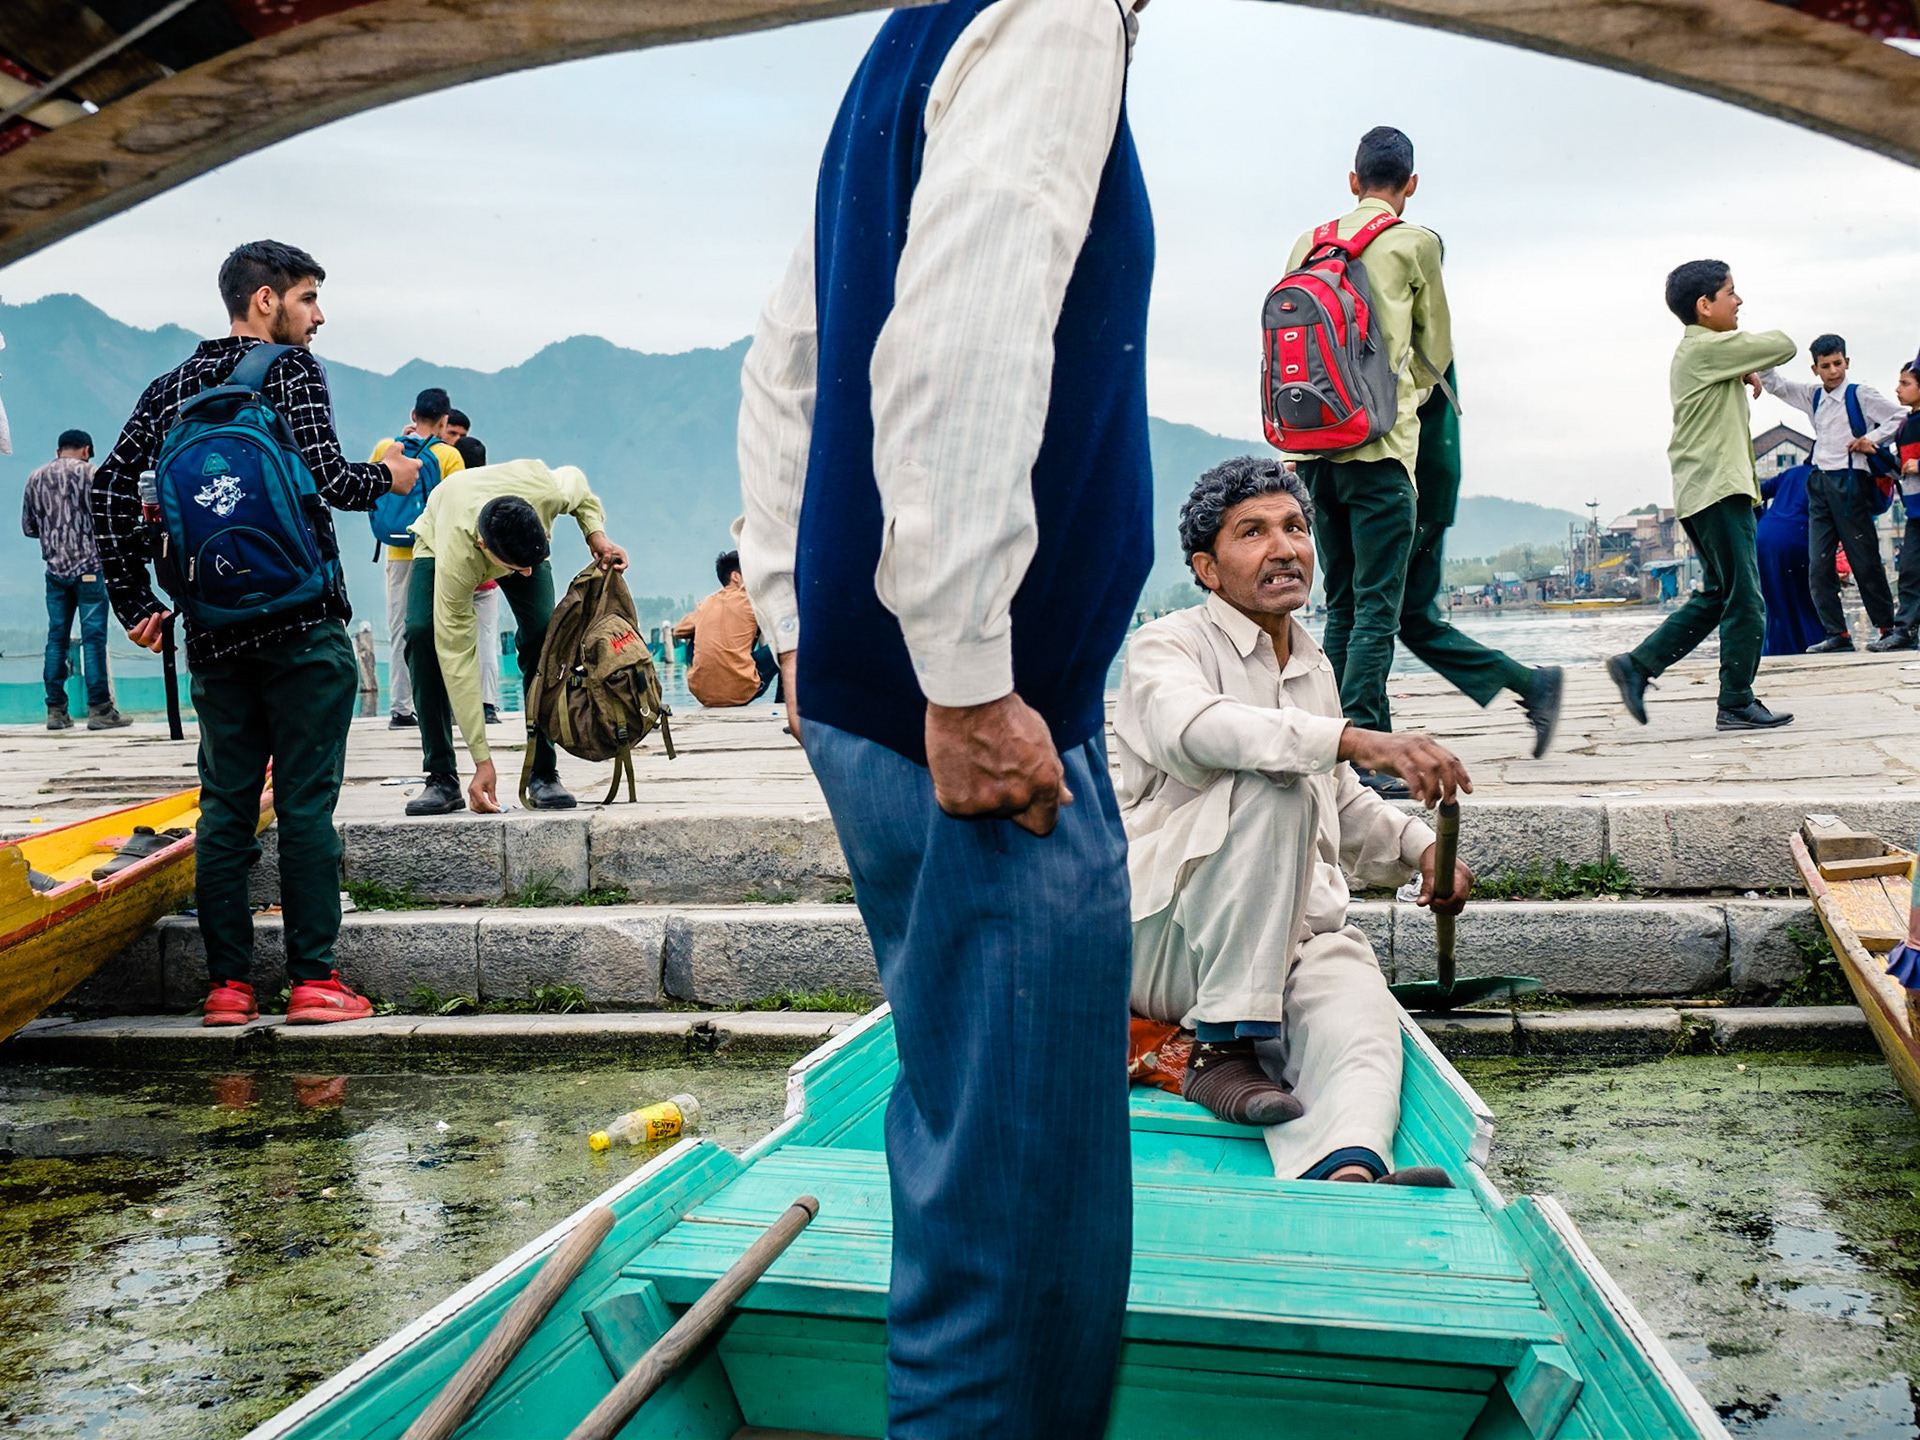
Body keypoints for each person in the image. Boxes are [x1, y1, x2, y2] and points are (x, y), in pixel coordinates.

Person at [735, 2, 1150, 1434]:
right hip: (979, 726)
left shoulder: (906, 48)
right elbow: (964, 342)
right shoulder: (1056, 17)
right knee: (1020, 1230)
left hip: (878, 697)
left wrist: (799, 621)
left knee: (968, 1150)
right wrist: (968, 679)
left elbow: (787, 357)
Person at [92, 238, 423, 1026]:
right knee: (306, 808)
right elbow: (335, 480)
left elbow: (109, 488)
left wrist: (137, 603)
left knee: (225, 812)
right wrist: (393, 478)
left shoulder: (170, 387)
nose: (319, 316)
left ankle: (228, 989)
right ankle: (314, 982)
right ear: (266, 299)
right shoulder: (291, 371)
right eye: (309, 297)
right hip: (303, 626)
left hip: (212, 635)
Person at [1118, 457, 1472, 1180]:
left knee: (1359, 1010)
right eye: (1252, 533)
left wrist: (1421, 848)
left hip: (1283, 938)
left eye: (1295, 528)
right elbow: (1200, 730)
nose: (1284, 547)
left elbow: (1338, 799)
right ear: (1208, 570)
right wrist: (1354, 736)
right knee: (1274, 785)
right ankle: (1221, 1048)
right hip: (1168, 944)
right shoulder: (1166, 646)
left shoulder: (1312, 663)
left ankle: (1344, 1163)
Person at [1283, 128, 1557, 786]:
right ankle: (1370, 751)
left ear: (1352, 181)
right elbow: (1436, 350)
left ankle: (1338, 741)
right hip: (1380, 449)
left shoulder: (1307, 242)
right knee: (1379, 606)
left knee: (1342, 603)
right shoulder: (1417, 242)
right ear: (1411, 184)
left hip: (1313, 451)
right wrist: (1398, 393)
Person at [1606, 262, 1796, 730]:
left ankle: (1638, 665)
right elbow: (1784, 345)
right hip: (1718, 489)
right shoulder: (1708, 348)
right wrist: (1748, 361)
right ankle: (1736, 700)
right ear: (1704, 306)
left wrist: (1743, 367)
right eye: (1731, 292)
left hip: (1703, 490)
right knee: (1747, 598)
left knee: (1717, 595)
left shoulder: (1703, 352)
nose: (1739, 301)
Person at [401, 457, 626, 816]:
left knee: (544, 636)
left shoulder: (546, 492)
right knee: (423, 635)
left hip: (516, 536)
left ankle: (543, 772)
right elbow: (457, 653)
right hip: (441, 530)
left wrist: (595, 534)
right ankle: (441, 776)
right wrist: (482, 760)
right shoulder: (459, 555)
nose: (527, 574)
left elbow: (578, 485)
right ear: (483, 548)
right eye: (519, 569)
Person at [1758, 335, 1905, 652]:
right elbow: (1777, 385)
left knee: (1864, 561)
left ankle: (1888, 628)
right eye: (1825, 366)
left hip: (1851, 482)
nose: (1833, 371)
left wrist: (1872, 438)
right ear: (1815, 368)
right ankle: (1836, 634)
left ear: (1847, 362)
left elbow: (1899, 416)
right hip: (1820, 484)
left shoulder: (1860, 395)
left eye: (1838, 363)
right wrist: (1762, 359)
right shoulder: (1812, 396)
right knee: (1819, 564)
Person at [23, 428, 128, 730]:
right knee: (93, 639)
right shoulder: (93, 474)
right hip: (91, 569)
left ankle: (56, 711)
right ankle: (101, 711)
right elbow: (108, 520)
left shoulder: (35, 477)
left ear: (59, 450)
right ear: (86, 450)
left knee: (56, 639)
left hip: (55, 571)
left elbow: (29, 527)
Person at [370, 389, 464, 729]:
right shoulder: (449, 455)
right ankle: (444, 705)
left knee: (400, 629)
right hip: (434, 553)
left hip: (396, 552)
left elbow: (373, 492)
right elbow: (456, 509)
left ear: (413, 415)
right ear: (444, 421)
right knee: (442, 629)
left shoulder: (386, 448)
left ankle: (400, 708)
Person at [672, 550, 777, 707]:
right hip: (741, 692)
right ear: (736, 576)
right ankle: (785, 704)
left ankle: (707, 683)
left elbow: (679, 630)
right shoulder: (752, 601)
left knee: (693, 635)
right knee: (788, 643)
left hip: (703, 695)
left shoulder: (705, 604)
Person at [452, 434, 503, 722]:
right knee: (485, 641)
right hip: (489, 578)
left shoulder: (451, 489)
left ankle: (454, 706)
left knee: (452, 641)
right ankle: (488, 706)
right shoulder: (492, 489)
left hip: (457, 577)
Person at [1756, 463, 1824, 656]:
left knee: (1775, 600)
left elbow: (1756, 492)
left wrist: (1761, 517)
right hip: (1796, 537)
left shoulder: (1791, 473)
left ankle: (1777, 650)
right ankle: (1809, 645)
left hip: (1764, 537)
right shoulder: (1825, 476)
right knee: (1804, 599)